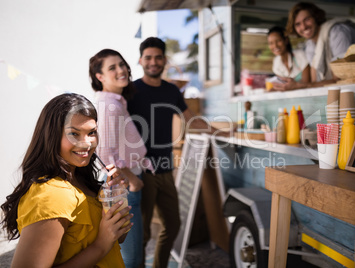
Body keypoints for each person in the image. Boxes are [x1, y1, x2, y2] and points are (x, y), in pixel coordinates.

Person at [127, 37, 230, 268]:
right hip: (142, 171)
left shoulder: (171, 91)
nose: (153, 62)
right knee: (142, 234)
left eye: (158, 57)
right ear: (141, 60)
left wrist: (219, 132)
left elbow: (191, 120)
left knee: (172, 225)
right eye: (148, 57)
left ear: (164, 60)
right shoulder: (131, 91)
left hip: (166, 169)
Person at [0, 93, 132, 267]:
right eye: (74, 134)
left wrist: (113, 195)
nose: (86, 143)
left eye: (91, 132)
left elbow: (118, 237)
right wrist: (100, 246)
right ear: (52, 136)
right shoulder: (51, 195)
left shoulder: (82, 180)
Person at [89, 48, 154, 268]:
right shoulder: (109, 105)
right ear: (100, 77)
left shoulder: (116, 101)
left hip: (127, 183)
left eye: (122, 64)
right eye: (112, 67)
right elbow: (105, 153)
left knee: (132, 253)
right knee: (131, 258)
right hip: (124, 186)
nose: (121, 70)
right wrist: (132, 180)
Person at [280, 2, 355, 90]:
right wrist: (293, 84)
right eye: (298, 24)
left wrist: (301, 86)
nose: (303, 26)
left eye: (307, 19)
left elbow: (340, 79)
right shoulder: (310, 45)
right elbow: (315, 81)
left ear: (316, 17)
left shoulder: (336, 32)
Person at [267, 26, 310, 91]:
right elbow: (282, 85)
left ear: (286, 40)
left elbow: (306, 82)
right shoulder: (276, 62)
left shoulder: (300, 55)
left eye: (278, 41)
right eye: (271, 43)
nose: (275, 46)